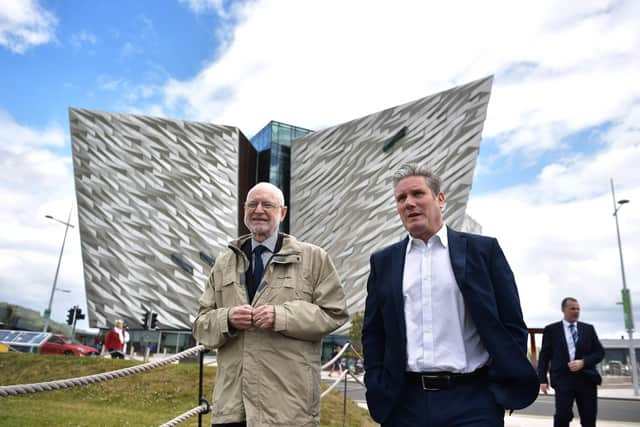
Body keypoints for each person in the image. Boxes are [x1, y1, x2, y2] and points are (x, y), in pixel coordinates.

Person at [362, 163, 539, 426]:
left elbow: (511, 323)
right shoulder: (384, 262)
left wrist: (499, 388)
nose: (409, 203)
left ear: (440, 199)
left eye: (417, 194)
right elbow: (373, 333)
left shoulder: (483, 251)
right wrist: (376, 381)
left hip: (474, 402)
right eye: (401, 198)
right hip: (404, 404)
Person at [193, 182, 349, 427]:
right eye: (252, 204)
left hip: (288, 409)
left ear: (283, 212)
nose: (259, 210)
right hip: (232, 408)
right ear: (244, 210)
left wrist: (282, 317)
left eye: (267, 204)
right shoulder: (223, 264)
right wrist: (228, 319)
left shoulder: (314, 258)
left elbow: (335, 314)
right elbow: (200, 325)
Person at [537, 297, 605, 427]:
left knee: (589, 418)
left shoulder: (588, 329)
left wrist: (583, 362)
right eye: (572, 308)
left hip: (587, 380)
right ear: (564, 310)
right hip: (563, 380)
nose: (576, 311)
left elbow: (599, 353)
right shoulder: (552, 330)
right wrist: (542, 380)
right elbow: (544, 356)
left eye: (578, 309)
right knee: (562, 417)